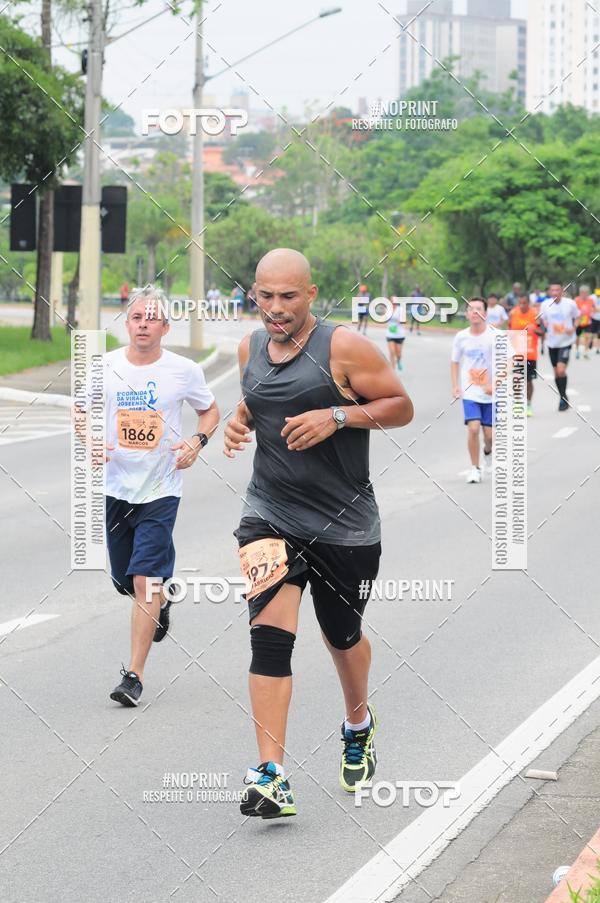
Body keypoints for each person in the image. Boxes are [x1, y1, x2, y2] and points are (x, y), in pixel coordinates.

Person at [223, 248, 413, 818]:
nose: (275, 309)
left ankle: (358, 720)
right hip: (269, 514)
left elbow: (401, 406)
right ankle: (271, 774)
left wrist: (337, 416)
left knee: (341, 637)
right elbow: (264, 401)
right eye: (265, 296)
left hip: (344, 527)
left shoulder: (344, 347)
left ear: (310, 293)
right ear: (253, 293)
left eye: (287, 297)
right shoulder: (249, 347)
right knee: (269, 638)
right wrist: (241, 418)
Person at [99, 286, 219, 706]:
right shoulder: (106, 365)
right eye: (136, 317)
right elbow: (81, 409)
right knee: (123, 581)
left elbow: (210, 410)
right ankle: (160, 602)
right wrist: (91, 439)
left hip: (161, 488)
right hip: (117, 488)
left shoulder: (183, 370)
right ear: (127, 324)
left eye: (152, 318)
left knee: (143, 577)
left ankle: (134, 675)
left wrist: (197, 441)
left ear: (166, 327)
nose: (144, 323)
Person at [451, 298, 494, 484]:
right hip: (470, 392)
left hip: (492, 394)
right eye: (471, 309)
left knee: (490, 435)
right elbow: (455, 362)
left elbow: (509, 361)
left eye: (479, 308)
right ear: (467, 313)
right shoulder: (461, 337)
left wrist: (497, 383)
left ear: (485, 312)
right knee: (474, 428)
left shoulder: (495, 336)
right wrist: (455, 386)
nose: (474, 312)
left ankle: (488, 452)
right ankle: (475, 468)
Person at [540, 281, 580, 411]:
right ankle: (563, 397)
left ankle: (562, 398)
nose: (555, 293)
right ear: (549, 292)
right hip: (552, 343)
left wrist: (573, 328)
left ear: (562, 291)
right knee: (556, 373)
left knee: (561, 370)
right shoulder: (545, 305)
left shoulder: (570, 304)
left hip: (566, 341)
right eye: (553, 290)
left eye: (558, 290)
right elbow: (543, 319)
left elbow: (578, 317)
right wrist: (545, 322)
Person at [509, 293, 543, 416]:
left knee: (528, 381)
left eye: (524, 303)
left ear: (529, 303)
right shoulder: (513, 313)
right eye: (520, 303)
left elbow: (542, 332)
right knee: (517, 379)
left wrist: (536, 330)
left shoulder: (535, 314)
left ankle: (528, 405)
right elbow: (509, 330)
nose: (522, 305)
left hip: (530, 353)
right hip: (517, 352)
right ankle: (517, 403)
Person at [386, 297, 406, 370]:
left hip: (399, 334)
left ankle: (399, 360)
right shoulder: (388, 310)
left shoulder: (401, 310)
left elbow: (404, 321)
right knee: (392, 352)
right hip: (390, 334)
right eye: (392, 302)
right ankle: (392, 369)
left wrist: (400, 321)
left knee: (398, 354)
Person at [575, 285, 594, 359]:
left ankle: (586, 352)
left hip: (587, 322)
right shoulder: (576, 300)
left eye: (586, 293)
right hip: (578, 321)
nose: (584, 294)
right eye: (583, 293)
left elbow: (594, 308)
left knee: (588, 336)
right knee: (577, 337)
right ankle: (577, 350)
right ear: (580, 293)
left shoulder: (591, 300)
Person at [592, 289, 600, 355]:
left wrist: (596, 309)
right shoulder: (592, 297)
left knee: (598, 334)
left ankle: (598, 348)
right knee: (593, 333)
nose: (598, 296)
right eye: (597, 295)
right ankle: (592, 344)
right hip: (593, 318)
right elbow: (592, 308)